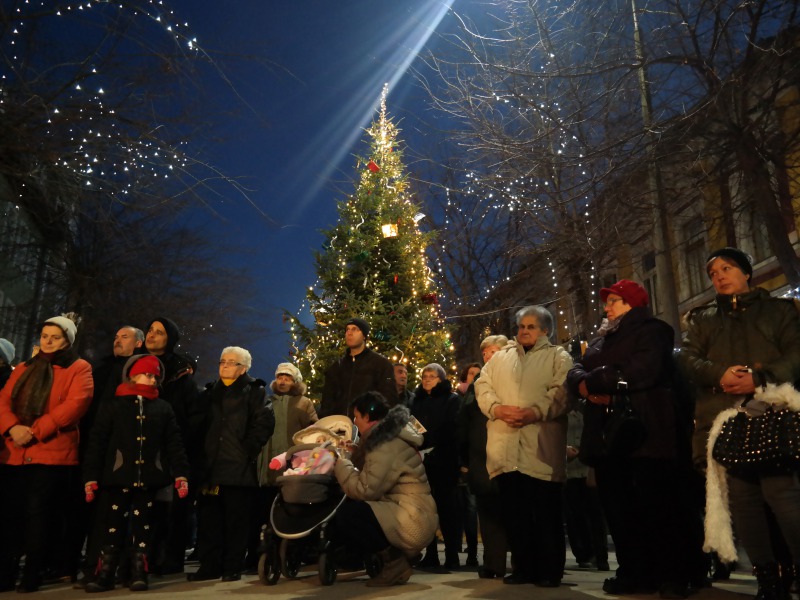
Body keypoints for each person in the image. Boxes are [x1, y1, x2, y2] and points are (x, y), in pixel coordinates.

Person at [568, 279, 704, 598]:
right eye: (608, 301)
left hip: (647, 433)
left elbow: (643, 369)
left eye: (614, 300)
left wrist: (596, 382)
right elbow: (576, 369)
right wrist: (582, 385)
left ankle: (673, 573)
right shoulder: (601, 340)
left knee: (659, 506)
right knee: (620, 509)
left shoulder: (654, 330)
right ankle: (634, 570)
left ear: (632, 304)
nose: (607, 306)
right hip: (609, 439)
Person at [681, 248, 800, 600]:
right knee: (744, 504)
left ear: (746, 272)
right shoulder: (702, 319)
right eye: (713, 272)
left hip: (774, 415)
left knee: (784, 497)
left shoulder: (779, 311)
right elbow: (687, 359)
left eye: (727, 267)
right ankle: (767, 581)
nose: (719, 275)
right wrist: (719, 374)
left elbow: (796, 353)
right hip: (724, 422)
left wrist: (759, 377)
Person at [475, 305, 573, 587]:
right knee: (515, 514)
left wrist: (534, 412)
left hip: (541, 447)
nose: (524, 331)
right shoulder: (499, 359)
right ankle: (523, 567)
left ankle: (549, 570)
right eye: (521, 327)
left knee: (545, 514)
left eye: (531, 326)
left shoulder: (558, 356)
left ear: (545, 330)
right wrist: (496, 409)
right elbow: (483, 386)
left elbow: (562, 392)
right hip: (506, 448)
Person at [82, 354, 190, 593]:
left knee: (144, 527)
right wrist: (91, 476)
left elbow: (174, 443)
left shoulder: (162, 408)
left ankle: (138, 572)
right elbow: (98, 442)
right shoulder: (113, 405)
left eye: (154, 375)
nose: (151, 379)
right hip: (117, 476)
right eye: (146, 374)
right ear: (132, 375)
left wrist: (180, 473)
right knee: (113, 527)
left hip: (149, 478)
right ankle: (106, 572)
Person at [0, 315, 93, 592]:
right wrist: (13, 428)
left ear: (67, 340)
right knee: (10, 515)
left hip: (51, 452)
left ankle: (32, 574)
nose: (48, 342)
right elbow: (4, 399)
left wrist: (36, 430)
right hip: (14, 451)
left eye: (55, 337)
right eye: (44, 336)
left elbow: (77, 403)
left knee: (39, 516)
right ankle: (5, 573)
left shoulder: (79, 367)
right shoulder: (26, 367)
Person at [333, 391, 438, 586]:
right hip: (412, 510)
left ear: (366, 416)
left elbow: (366, 490)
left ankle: (395, 562)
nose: (354, 422)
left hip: (412, 518)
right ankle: (400, 558)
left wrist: (342, 464)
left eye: (356, 417)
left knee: (350, 513)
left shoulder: (384, 444)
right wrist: (357, 453)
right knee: (355, 509)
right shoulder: (389, 436)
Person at [189, 347, 275, 583]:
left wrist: (247, 450)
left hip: (238, 468)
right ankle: (209, 565)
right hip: (210, 467)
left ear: (244, 368)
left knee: (236, 520)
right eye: (222, 361)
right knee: (209, 519)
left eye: (231, 362)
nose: (225, 366)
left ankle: (232, 566)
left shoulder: (255, 391)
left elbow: (265, 422)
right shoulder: (210, 392)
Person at [75, 325, 146, 588]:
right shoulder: (102, 369)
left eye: (124, 337)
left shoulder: (139, 371)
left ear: (138, 343)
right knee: (99, 514)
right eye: (115, 337)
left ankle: (125, 569)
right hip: (98, 447)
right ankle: (95, 566)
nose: (117, 340)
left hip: (126, 453)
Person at [144, 317, 199, 575]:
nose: (152, 335)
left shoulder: (180, 375)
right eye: (150, 330)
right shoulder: (133, 366)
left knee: (170, 509)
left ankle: (168, 557)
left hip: (171, 450)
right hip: (139, 447)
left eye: (159, 332)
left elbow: (193, 417)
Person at [252, 361, 318, 567]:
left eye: (287, 378)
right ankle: (265, 551)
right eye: (280, 377)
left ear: (295, 381)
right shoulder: (267, 400)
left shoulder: (304, 403)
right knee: (264, 508)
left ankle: (293, 553)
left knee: (290, 507)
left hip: (293, 463)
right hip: (268, 462)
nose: (282, 381)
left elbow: (313, 430)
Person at [457, 334, 509, 579]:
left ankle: (520, 562)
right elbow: (465, 419)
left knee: (510, 510)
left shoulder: (510, 375)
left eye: (492, 351)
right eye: (485, 352)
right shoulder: (478, 380)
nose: (487, 356)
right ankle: (493, 563)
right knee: (487, 512)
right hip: (480, 455)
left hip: (505, 452)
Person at [411, 363, 462, 570]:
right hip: (423, 462)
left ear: (441, 379)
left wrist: (431, 442)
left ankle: (452, 555)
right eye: (425, 376)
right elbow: (412, 424)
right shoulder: (417, 401)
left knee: (447, 510)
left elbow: (452, 428)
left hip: (444, 461)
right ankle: (430, 554)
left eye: (432, 376)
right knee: (426, 511)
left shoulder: (452, 400)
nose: (427, 379)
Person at [320, 317, 397, 417]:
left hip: (368, 427)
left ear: (364, 336)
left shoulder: (381, 364)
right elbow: (327, 402)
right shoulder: (336, 367)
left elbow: (389, 400)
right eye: (347, 329)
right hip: (339, 427)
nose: (349, 333)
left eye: (355, 329)